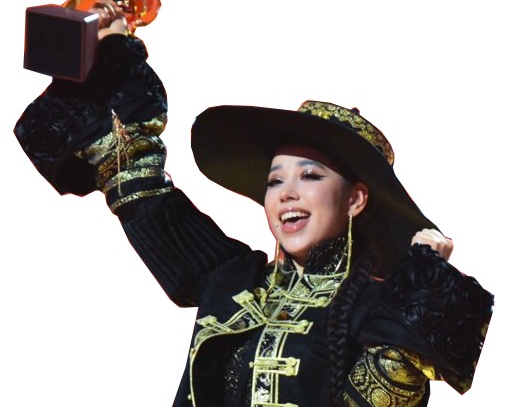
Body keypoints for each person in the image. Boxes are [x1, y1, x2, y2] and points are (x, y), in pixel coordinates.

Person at [14, 22, 493, 406]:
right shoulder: (230, 279)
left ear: (355, 200)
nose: (287, 194)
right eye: (275, 180)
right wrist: (112, 54)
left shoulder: (376, 309)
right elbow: (135, 183)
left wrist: (421, 296)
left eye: (310, 176)